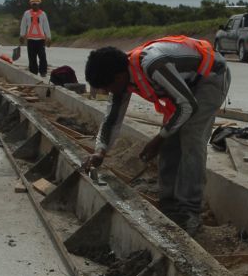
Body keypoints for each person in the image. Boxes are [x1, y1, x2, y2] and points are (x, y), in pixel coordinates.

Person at [82, 36, 231, 236]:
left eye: (108, 88)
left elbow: (188, 105)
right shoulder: (122, 77)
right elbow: (111, 119)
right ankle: (169, 205)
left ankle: (189, 211)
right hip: (184, 89)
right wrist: (100, 151)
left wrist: (158, 139)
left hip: (210, 77)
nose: (109, 92)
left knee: (191, 139)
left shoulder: (153, 65)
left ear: (118, 78)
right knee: (170, 143)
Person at [19, 0, 51, 77]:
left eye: (36, 4)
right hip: (30, 40)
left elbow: (46, 26)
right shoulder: (26, 14)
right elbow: (23, 25)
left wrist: (48, 37)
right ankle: (33, 73)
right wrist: (22, 35)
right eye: (33, 4)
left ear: (39, 4)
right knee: (32, 58)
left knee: (42, 57)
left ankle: (43, 72)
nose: (35, 6)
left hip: (40, 40)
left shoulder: (43, 14)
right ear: (31, 4)